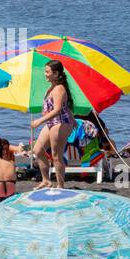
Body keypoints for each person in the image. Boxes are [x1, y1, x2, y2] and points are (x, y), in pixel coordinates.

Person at [30, 60, 74, 188]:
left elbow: (58, 109)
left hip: (61, 123)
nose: (45, 74)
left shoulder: (59, 88)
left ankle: (61, 186)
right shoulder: (52, 87)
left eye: (47, 72)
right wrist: (73, 118)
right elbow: (66, 106)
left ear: (56, 74)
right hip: (51, 123)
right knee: (38, 150)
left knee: (56, 155)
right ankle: (46, 181)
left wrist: (39, 121)